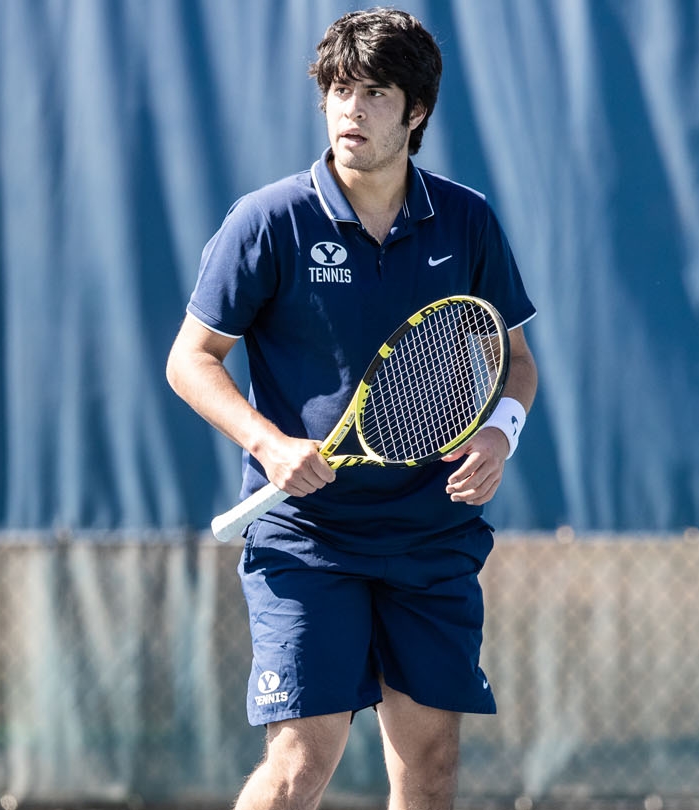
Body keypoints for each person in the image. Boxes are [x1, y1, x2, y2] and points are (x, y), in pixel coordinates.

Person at [166, 8, 538, 809]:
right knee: (303, 760)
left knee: (430, 766)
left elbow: (514, 363)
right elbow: (190, 361)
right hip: (306, 538)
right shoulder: (268, 221)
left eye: (374, 93)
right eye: (338, 90)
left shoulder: (466, 218)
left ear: (417, 112)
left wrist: (500, 437)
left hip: (430, 535)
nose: (350, 111)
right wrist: (267, 444)